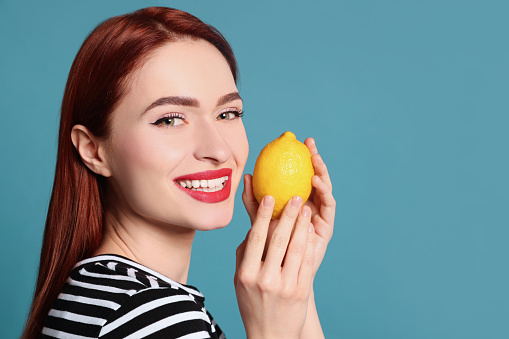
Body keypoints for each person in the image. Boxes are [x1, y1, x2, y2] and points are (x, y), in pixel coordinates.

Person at [22, 6, 335, 339]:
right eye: (169, 119)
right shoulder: (152, 315)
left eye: (227, 113)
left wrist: (294, 278)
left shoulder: (100, 295)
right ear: (92, 150)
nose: (218, 150)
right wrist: (272, 330)